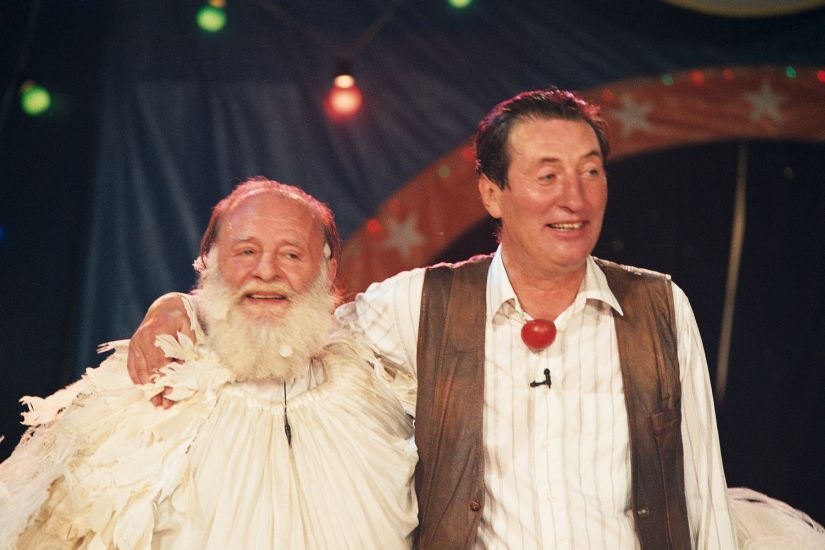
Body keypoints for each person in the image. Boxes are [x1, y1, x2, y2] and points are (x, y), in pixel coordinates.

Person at [126, 90, 825, 548]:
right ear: (492, 194)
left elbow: (698, 492)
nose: (574, 197)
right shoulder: (418, 305)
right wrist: (177, 305)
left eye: (590, 171)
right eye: (546, 175)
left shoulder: (658, 305)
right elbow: (288, 321)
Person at [0, 179, 418, 549]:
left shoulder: (376, 377)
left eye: (292, 255)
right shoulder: (148, 383)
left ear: (328, 271)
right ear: (211, 263)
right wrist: (173, 305)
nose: (266, 271)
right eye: (246, 252)